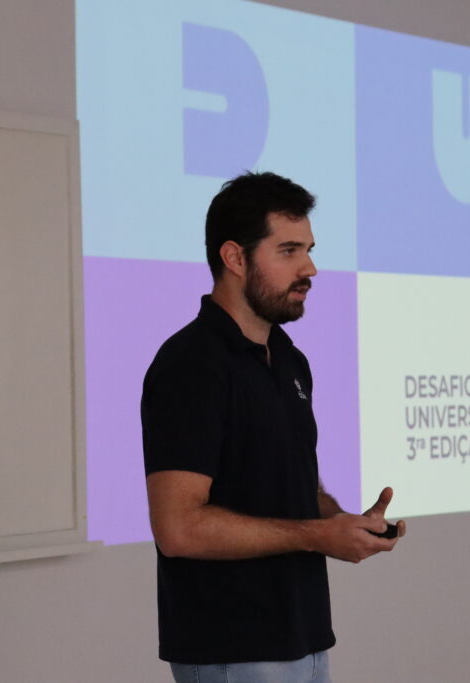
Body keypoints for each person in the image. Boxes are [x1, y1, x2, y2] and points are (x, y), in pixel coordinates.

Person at [141, 171, 406, 683]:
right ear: (235, 258)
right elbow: (178, 528)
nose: (309, 268)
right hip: (233, 649)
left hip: (303, 637)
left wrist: (344, 523)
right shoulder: (190, 364)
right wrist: (316, 535)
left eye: (308, 249)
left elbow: (289, 489)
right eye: (288, 251)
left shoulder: (288, 359)